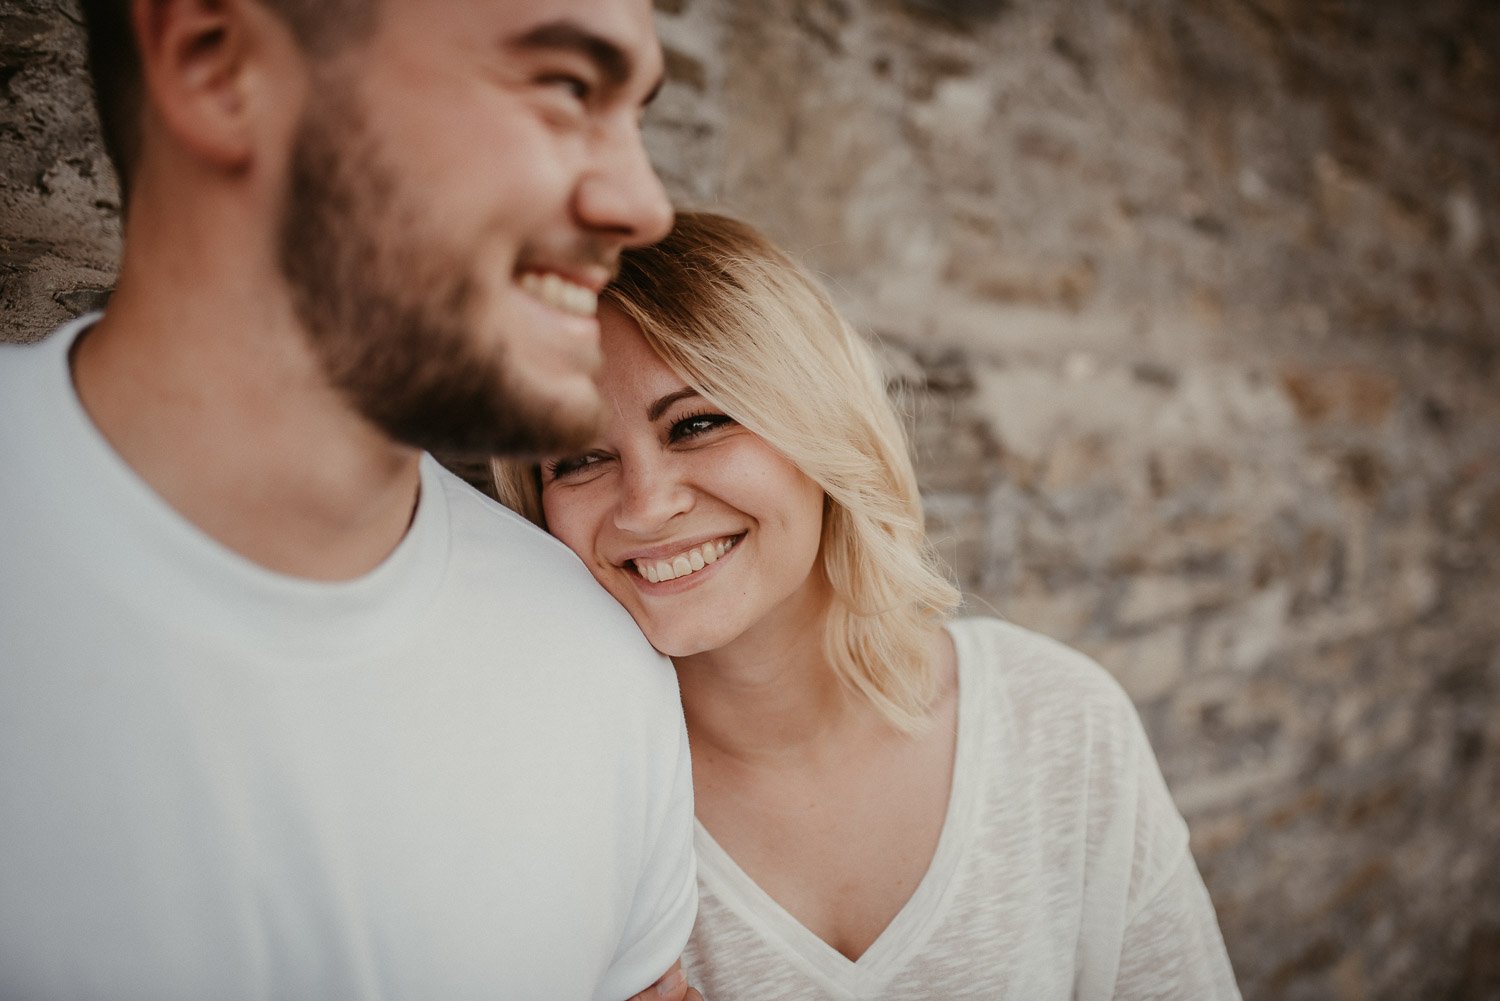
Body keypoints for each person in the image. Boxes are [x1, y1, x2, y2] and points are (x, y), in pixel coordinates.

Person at [0, 0, 703, 998]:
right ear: (215, 65)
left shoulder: (599, 664)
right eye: (564, 87)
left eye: (638, 115)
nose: (643, 203)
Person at [494, 211, 1243, 999]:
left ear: (820, 425)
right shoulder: (566, 809)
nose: (645, 505)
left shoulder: (1061, 724)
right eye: (578, 458)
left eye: (699, 422)